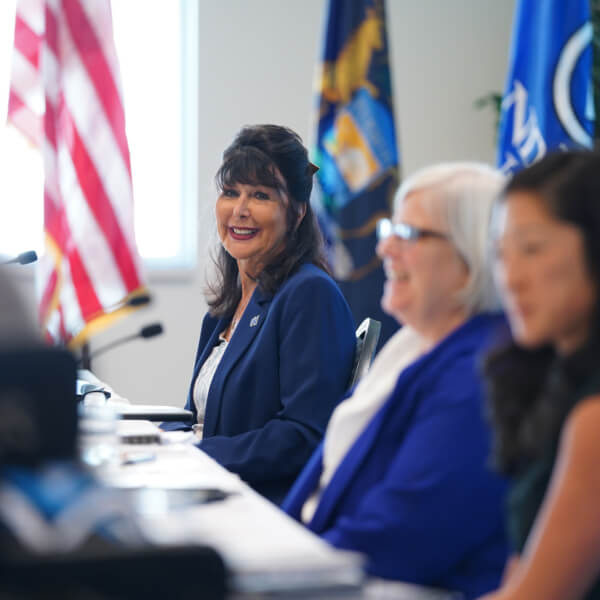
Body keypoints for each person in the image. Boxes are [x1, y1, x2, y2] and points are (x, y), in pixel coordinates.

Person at [283, 162, 508, 599]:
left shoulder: (483, 372)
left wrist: (275, 574)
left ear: (473, 253)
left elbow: (403, 535)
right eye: (390, 227)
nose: (383, 247)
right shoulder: (412, 344)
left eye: (407, 234)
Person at [168, 125, 355, 504]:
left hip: (261, 508)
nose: (240, 210)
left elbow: (304, 435)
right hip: (209, 493)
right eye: (231, 192)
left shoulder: (309, 294)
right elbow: (198, 423)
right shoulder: (222, 312)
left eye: (260, 195)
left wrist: (192, 456)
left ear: (297, 211)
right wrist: (149, 442)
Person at [479, 151, 600, 600]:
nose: (511, 277)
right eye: (500, 254)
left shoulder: (594, 416)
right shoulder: (549, 378)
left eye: (531, 249)